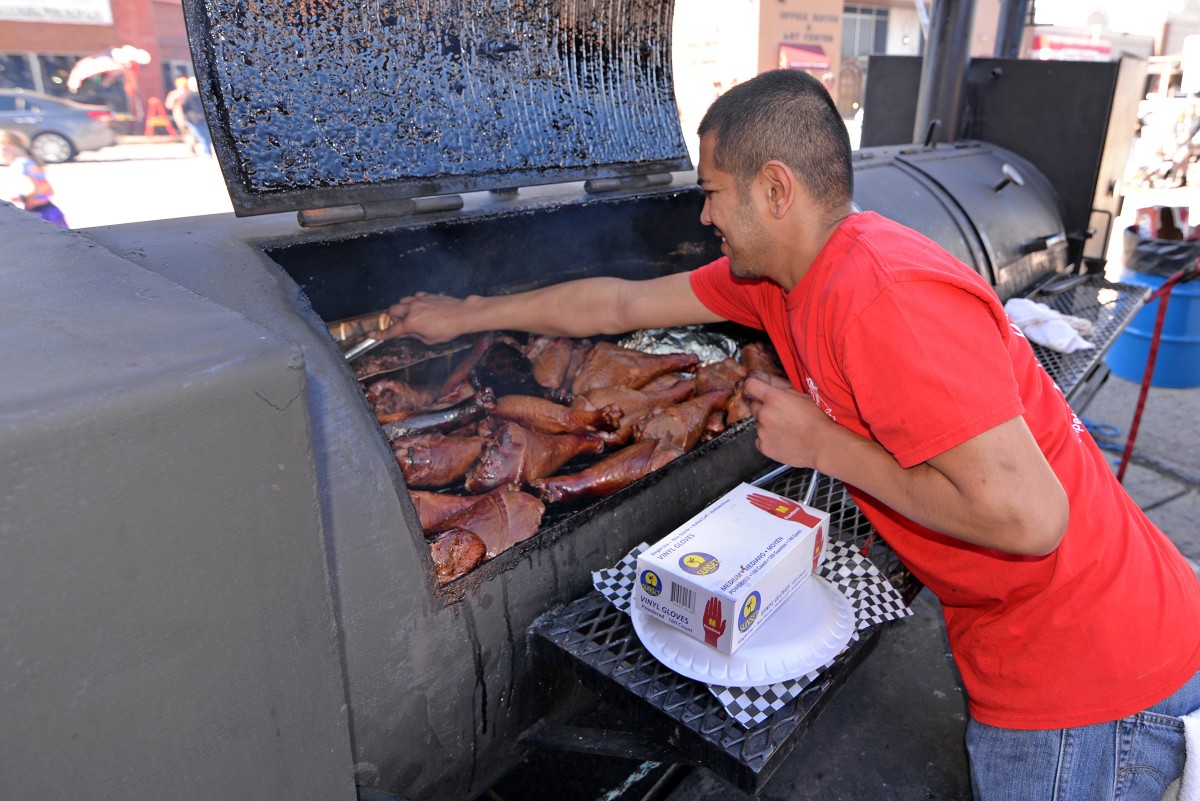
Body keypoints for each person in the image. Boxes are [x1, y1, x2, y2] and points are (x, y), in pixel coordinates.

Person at [378, 70, 1200, 800]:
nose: (703, 217)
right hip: (1036, 645)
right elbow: (618, 307)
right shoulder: (784, 280)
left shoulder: (879, 298)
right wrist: (467, 315)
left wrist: (821, 444)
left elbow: (1031, 518)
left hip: (1085, 682)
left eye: (712, 192)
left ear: (775, 189)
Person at [0, 129, 68, 228]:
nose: (2, 156)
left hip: (38, 214)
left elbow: (32, 189)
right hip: (50, 210)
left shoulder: (19, 164)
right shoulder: (30, 161)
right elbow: (50, 190)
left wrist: (19, 198)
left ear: (9, 145)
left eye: (2, 151)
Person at [180, 77, 213, 158]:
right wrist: (186, 119)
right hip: (194, 120)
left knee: (205, 136)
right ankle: (205, 152)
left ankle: (207, 152)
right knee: (201, 135)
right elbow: (184, 108)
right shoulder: (188, 96)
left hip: (203, 119)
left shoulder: (203, 94)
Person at [164, 75, 196, 153]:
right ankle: (190, 145)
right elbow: (168, 105)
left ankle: (193, 144)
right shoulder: (174, 94)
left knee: (194, 131)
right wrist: (175, 99)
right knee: (186, 132)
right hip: (180, 116)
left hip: (192, 116)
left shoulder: (191, 93)